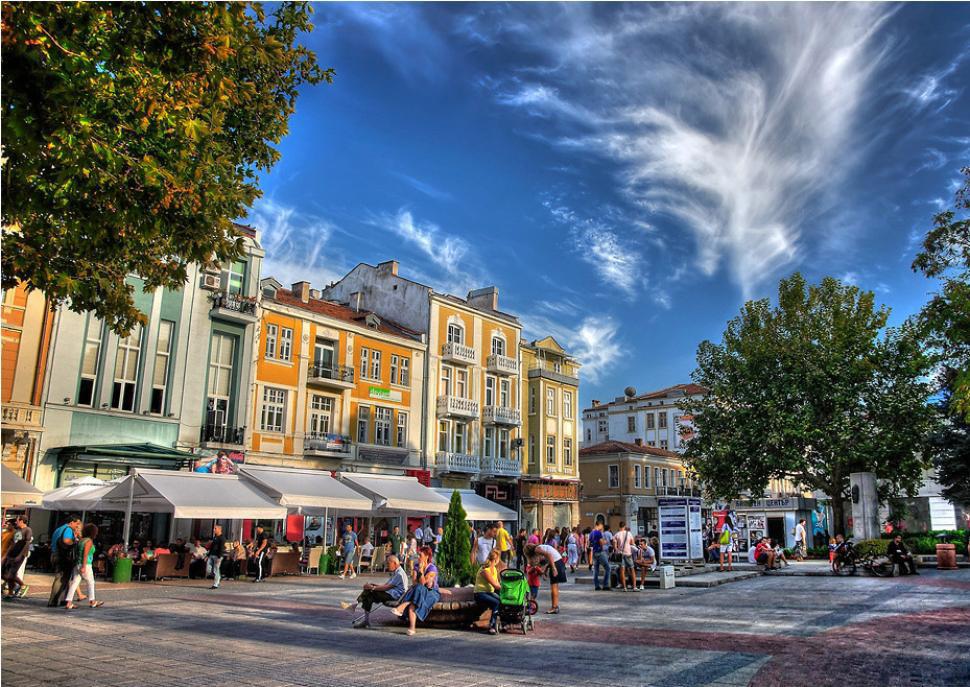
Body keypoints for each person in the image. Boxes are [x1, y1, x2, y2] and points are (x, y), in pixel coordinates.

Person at [341, 554, 409, 628]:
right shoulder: (396, 572)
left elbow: (386, 588)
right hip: (390, 593)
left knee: (370, 592)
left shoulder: (399, 574)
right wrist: (374, 585)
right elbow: (386, 585)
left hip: (395, 596)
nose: (387, 566)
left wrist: (372, 588)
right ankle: (362, 616)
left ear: (395, 563)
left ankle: (357, 609)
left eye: (388, 563)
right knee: (369, 594)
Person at [391, 546, 440, 636]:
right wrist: (418, 572)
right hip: (418, 591)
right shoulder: (416, 566)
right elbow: (414, 582)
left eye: (420, 555)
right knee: (415, 597)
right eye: (418, 555)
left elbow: (423, 583)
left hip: (431, 593)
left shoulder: (432, 568)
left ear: (427, 556)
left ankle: (403, 607)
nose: (418, 557)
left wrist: (421, 571)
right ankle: (412, 628)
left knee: (417, 590)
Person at [65, 524, 104, 609]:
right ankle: (92, 601)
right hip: (86, 564)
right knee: (91, 582)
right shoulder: (89, 541)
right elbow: (85, 554)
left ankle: (69, 602)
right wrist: (84, 566)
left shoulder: (81, 540)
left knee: (74, 583)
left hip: (77, 564)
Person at [48, 515, 81, 607]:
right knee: (60, 579)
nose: (77, 526)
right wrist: (75, 541)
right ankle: (53, 601)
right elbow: (66, 541)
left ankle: (63, 599)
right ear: (71, 522)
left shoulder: (59, 529)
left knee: (64, 579)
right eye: (76, 524)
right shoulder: (68, 529)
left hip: (55, 554)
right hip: (62, 556)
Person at [525, 541, 566, 614]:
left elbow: (549, 555)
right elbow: (549, 558)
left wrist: (553, 568)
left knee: (554, 586)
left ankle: (554, 607)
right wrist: (546, 569)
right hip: (558, 561)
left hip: (556, 563)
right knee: (555, 586)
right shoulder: (540, 547)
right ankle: (555, 606)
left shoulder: (537, 549)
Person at [2, 515, 33, 598]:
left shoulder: (28, 530)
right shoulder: (17, 531)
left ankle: (23, 586)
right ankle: (10, 592)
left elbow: (27, 543)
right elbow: (12, 544)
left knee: (11, 574)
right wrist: (7, 555)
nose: (16, 522)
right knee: (6, 573)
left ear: (22, 521)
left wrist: (20, 555)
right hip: (11, 555)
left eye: (17, 520)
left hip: (20, 555)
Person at [473, 549, 502, 635]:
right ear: (496, 559)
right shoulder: (485, 570)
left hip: (489, 593)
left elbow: (497, 584)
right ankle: (492, 626)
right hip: (480, 593)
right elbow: (496, 585)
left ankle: (502, 623)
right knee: (496, 602)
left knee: (503, 601)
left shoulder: (494, 569)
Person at [613, 522, 638, 591]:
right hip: (628, 553)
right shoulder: (629, 533)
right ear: (625, 526)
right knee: (632, 570)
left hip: (620, 554)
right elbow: (632, 543)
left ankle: (624, 587)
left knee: (622, 571)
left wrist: (618, 550)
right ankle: (634, 587)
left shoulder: (616, 534)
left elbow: (615, 547)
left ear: (619, 526)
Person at [589, 522, 610, 591]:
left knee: (596, 570)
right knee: (607, 568)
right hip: (600, 552)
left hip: (594, 552)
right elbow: (601, 542)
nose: (602, 527)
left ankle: (597, 586)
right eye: (601, 526)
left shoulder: (591, 533)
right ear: (598, 525)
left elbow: (590, 543)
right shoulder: (598, 532)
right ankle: (605, 585)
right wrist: (605, 542)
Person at [208, 524, 226, 589]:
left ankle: (216, 584)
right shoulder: (215, 537)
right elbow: (212, 547)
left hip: (217, 556)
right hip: (211, 555)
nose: (214, 530)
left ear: (219, 529)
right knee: (208, 569)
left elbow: (221, 548)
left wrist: (219, 557)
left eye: (215, 528)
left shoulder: (222, 538)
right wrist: (207, 555)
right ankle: (218, 577)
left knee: (216, 569)